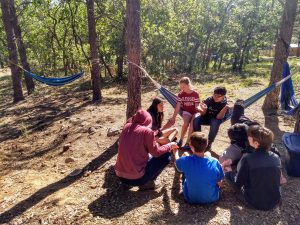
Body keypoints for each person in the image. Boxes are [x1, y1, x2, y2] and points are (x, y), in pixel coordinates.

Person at [115, 109, 178, 190]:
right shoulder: (147, 132)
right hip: (137, 179)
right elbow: (156, 153)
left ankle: (126, 183)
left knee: (146, 155)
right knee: (166, 156)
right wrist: (170, 145)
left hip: (120, 176)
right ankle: (148, 182)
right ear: (148, 120)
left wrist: (156, 134)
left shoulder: (127, 126)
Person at [226, 125, 282, 210]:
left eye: (250, 137)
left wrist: (230, 172)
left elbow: (238, 184)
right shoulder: (276, 157)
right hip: (274, 202)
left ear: (256, 143)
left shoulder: (248, 159)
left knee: (228, 175)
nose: (248, 137)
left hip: (253, 203)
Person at [173, 132, 224, 204]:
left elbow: (177, 165)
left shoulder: (186, 160)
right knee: (208, 155)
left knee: (185, 167)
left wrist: (175, 153)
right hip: (213, 198)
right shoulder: (215, 161)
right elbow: (220, 183)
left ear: (191, 145)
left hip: (190, 199)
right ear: (206, 145)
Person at [170, 77, 200, 147]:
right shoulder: (181, 94)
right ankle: (181, 139)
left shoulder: (195, 94)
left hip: (195, 112)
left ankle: (187, 143)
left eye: (184, 86)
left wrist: (197, 114)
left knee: (192, 126)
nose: (182, 88)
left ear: (188, 85)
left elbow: (197, 107)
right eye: (181, 87)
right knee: (186, 123)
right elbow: (178, 106)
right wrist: (173, 117)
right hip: (186, 111)